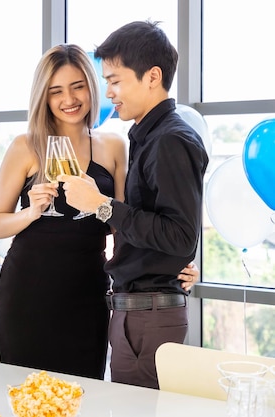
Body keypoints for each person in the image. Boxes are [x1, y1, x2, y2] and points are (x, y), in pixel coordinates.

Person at [0, 43, 198, 380]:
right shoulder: (25, 146)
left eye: (77, 86)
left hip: (88, 292)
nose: (68, 99)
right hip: (28, 291)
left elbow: (126, 221)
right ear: (43, 96)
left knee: (85, 395)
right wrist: (31, 212)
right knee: (25, 394)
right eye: (56, 91)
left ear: (91, 86)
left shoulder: (113, 145)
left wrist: (173, 264)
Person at [59, 21, 209, 389]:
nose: (108, 91)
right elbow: (164, 230)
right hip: (138, 314)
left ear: (152, 76)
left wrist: (101, 204)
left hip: (149, 317)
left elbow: (180, 237)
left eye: (115, 80)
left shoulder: (171, 139)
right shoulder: (148, 136)